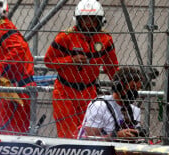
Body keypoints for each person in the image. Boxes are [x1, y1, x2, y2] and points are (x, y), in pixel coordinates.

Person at [44, 0, 119, 139]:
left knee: (88, 134)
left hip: (89, 91)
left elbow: (112, 68)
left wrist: (121, 86)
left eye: (92, 19)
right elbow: (48, 62)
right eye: (84, 19)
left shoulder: (105, 39)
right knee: (68, 135)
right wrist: (70, 61)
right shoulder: (65, 37)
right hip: (65, 91)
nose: (88, 23)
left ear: (100, 21)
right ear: (78, 20)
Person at [0, 0, 36, 134]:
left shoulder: (1, 27)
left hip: (18, 89)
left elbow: (18, 50)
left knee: (12, 134)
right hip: (14, 88)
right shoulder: (1, 28)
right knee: (12, 133)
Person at [78, 66, 145, 139]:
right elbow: (88, 140)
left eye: (137, 89)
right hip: (101, 149)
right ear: (119, 86)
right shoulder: (100, 106)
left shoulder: (134, 110)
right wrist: (115, 136)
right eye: (132, 87)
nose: (134, 92)